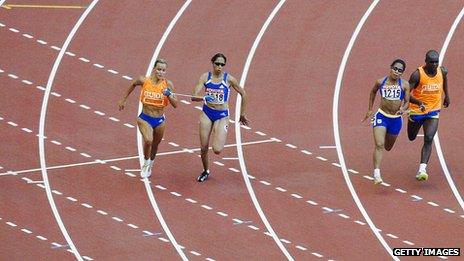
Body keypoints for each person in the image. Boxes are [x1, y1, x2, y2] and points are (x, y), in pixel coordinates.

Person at [191, 53, 249, 182]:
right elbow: (193, 96)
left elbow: (243, 94)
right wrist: (203, 97)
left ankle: (219, 130)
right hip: (207, 112)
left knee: (217, 149)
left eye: (222, 64)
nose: (219, 66)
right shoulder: (206, 77)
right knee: (203, 147)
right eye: (217, 63)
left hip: (222, 115)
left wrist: (242, 114)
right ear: (212, 63)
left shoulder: (229, 79)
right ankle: (206, 170)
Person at [118, 59, 178, 178]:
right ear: (154, 69)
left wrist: (169, 95)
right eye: (159, 69)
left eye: (163, 70)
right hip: (145, 118)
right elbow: (133, 84)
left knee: (155, 144)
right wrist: (123, 99)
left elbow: (176, 104)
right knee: (148, 140)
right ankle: (145, 162)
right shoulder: (144, 80)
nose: (161, 72)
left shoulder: (168, 85)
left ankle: (151, 163)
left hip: (160, 120)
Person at [363, 59, 411, 184]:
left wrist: (403, 109)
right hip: (382, 116)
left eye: (400, 70)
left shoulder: (405, 85)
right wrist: (369, 109)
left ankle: (379, 158)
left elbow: (407, 102)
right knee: (379, 144)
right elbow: (372, 92)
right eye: (395, 68)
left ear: (402, 73)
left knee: (387, 147)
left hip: (395, 120)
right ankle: (377, 173)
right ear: (390, 68)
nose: (396, 72)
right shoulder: (380, 82)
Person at [407, 50, 450, 181]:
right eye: (432, 62)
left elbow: (444, 81)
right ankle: (412, 125)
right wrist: (418, 102)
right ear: (425, 61)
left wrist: (447, 96)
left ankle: (422, 169)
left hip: (433, 110)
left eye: (436, 61)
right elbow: (406, 93)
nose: (434, 64)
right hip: (417, 111)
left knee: (429, 137)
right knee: (411, 136)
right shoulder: (417, 75)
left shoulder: (441, 71)